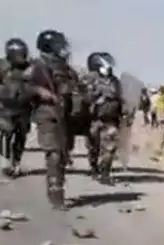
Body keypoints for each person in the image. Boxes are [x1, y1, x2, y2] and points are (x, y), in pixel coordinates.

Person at [26, 29, 80, 210]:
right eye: (58, 45)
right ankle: (56, 192)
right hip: (47, 114)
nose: (62, 48)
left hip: (65, 116)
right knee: (54, 154)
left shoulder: (66, 68)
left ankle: (58, 186)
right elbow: (23, 88)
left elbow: (77, 89)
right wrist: (41, 92)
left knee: (63, 154)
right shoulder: (37, 66)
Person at [82, 51, 123, 186]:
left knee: (110, 148)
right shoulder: (90, 80)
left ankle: (104, 173)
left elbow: (119, 97)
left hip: (111, 120)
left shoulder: (115, 81)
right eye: (105, 66)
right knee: (93, 147)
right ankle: (94, 168)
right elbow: (86, 98)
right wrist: (96, 95)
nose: (108, 68)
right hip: (94, 119)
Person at [0, 38, 33, 178]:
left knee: (21, 137)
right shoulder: (2, 66)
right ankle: (5, 162)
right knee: (5, 135)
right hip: (5, 108)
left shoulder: (30, 68)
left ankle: (16, 162)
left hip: (24, 108)